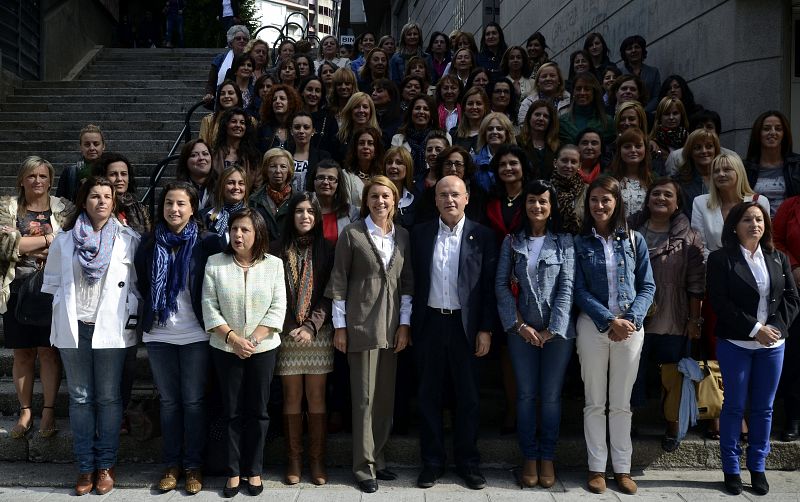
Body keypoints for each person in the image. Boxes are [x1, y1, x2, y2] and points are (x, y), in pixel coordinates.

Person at [43, 176, 139, 496]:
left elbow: (136, 287)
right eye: (94, 196)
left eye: (107, 196)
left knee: (109, 398)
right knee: (82, 399)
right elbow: (53, 284)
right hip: (76, 327)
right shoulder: (64, 241)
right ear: (84, 201)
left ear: (114, 202)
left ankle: (106, 465)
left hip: (110, 328)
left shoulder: (128, 239)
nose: (101, 201)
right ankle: (85, 466)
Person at [135, 182, 223, 496]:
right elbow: (143, 282)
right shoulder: (149, 243)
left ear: (192, 208)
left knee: (194, 402)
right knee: (170, 403)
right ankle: (172, 465)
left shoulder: (208, 242)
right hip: (159, 334)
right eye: (169, 203)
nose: (174, 209)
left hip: (196, 333)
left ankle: (193, 466)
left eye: (181, 204)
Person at [325, 176, 413, 493]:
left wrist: (405, 324)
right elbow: (338, 283)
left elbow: (407, 285)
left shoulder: (402, 236)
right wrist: (339, 328)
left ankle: (379, 457)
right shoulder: (353, 234)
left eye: (386, 196)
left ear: (395, 200)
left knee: (384, 399)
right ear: (367, 201)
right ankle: (363, 468)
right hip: (360, 326)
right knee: (363, 398)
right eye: (374, 196)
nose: (380, 202)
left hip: (391, 329)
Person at [707, 201, 800, 496]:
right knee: (734, 406)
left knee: (764, 408)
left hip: (773, 346)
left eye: (759, 220)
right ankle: (731, 468)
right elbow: (720, 302)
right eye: (747, 219)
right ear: (735, 225)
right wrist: (754, 329)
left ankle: (758, 466)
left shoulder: (778, 257)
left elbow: (791, 299)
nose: (755, 225)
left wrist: (776, 331)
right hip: (736, 343)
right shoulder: (721, 259)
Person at [411, 175, 496, 490]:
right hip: (429, 324)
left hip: (466, 327)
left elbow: (488, 288)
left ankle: (468, 463)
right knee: (428, 395)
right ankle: (432, 462)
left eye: (455, 194)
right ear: (435, 200)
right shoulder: (419, 235)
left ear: (467, 198)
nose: (449, 200)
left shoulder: (482, 236)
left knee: (468, 398)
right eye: (443, 194)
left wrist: (486, 329)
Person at [573, 175, 655, 495]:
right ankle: (596, 467)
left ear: (617, 202)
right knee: (595, 401)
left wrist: (630, 320)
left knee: (621, 403)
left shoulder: (635, 240)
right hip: (593, 327)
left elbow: (647, 285)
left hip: (631, 329)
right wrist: (609, 320)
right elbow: (578, 289)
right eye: (594, 199)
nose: (599, 205)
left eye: (606, 199)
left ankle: (622, 468)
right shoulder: (579, 243)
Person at [495, 179, 575, 488]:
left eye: (543, 201)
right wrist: (520, 326)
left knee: (551, 396)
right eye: (532, 201)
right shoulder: (511, 241)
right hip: (520, 332)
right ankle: (529, 456)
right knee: (526, 396)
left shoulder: (564, 242)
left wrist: (551, 329)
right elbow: (501, 285)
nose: (537, 206)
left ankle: (548, 457)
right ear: (524, 205)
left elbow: (567, 287)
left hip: (558, 334)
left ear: (551, 206)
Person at [201, 208, 285, 497]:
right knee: (232, 412)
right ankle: (233, 471)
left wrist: (253, 340)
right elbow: (209, 307)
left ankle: (255, 470)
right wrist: (234, 340)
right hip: (225, 349)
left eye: (245, 229)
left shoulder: (274, 265)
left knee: (259, 412)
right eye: (234, 229)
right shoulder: (216, 263)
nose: (238, 234)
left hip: (263, 350)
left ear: (258, 233)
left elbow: (278, 308)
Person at [0, 157, 75, 441]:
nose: (38, 181)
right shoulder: (6, 207)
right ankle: (26, 411)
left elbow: (68, 244)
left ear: (50, 179)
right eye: (31, 176)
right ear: (22, 179)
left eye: (43, 176)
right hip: (16, 289)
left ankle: (48, 410)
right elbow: (5, 246)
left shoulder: (64, 208)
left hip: (52, 290)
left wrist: (21, 243)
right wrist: (48, 240)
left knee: (48, 352)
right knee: (22, 353)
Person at [629, 179, 705, 451]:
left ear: (676, 203)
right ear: (648, 199)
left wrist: (695, 320)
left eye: (668, 194)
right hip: (633, 315)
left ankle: (672, 425)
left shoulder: (690, 235)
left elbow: (697, 282)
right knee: (631, 372)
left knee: (673, 374)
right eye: (656, 193)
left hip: (673, 314)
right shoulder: (628, 229)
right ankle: (628, 421)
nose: (661, 197)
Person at [272, 192, 334, 486]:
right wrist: (290, 326)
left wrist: (311, 325)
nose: (305, 216)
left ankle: (317, 460)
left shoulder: (328, 249)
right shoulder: (276, 249)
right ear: (291, 216)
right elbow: (272, 293)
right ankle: (294, 459)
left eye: (311, 211)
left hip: (318, 333)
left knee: (317, 397)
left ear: (318, 216)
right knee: (292, 397)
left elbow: (330, 294)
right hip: (286, 333)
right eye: (299, 211)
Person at [691, 152, 769, 261]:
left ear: (739, 172)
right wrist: (720, 267)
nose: (721, 174)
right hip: (713, 268)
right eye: (716, 171)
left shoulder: (760, 201)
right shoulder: (700, 203)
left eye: (727, 170)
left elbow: (765, 242)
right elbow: (699, 245)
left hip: (752, 268)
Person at [771, 195, 800, 442]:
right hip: (796, 287)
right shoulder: (791, 206)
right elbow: (776, 240)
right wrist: (794, 266)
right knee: (795, 357)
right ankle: (793, 417)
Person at [744, 110, 800, 217]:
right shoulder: (746, 167)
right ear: (758, 133)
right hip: (757, 227)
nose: (773, 132)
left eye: (778, 129)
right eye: (766, 129)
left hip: (789, 226)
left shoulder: (797, 164)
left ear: (784, 134)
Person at [305, 159, 360, 244]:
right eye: (320, 178)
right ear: (313, 181)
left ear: (338, 183)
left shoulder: (352, 213)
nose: (325, 182)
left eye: (331, 178)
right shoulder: (302, 210)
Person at [94, 152, 150, 233]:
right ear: (102, 178)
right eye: (113, 174)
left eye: (124, 174)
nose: (120, 179)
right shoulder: (96, 207)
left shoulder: (140, 209)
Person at [250, 148, 295, 241]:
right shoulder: (254, 200)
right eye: (273, 166)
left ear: (289, 170)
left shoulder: (298, 199)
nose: (278, 171)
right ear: (266, 169)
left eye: (283, 166)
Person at [212, 107, 261, 191]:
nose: (238, 125)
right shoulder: (213, 154)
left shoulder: (253, 156)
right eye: (234, 121)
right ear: (226, 125)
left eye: (242, 123)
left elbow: (258, 186)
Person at [559, 72, 615, 145]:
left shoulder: (607, 122)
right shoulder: (562, 122)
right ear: (573, 92)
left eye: (587, 89)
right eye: (578, 89)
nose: (582, 93)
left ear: (594, 92)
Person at [57, 125, 106, 203]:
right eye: (87, 144)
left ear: (103, 146)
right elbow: (59, 203)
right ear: (81, 147)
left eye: (96, 144)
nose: (92, 148)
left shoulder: (112, 171)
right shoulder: (70, 172)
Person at [610, 127, 653, 217]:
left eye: (638, 146)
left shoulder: (653, 179)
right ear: (620, 150)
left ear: (645, 149)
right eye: (627, 146)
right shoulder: (610, 178)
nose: (633, 150)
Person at [200, 165, 248, 242]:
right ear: (221, 186)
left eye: (241, 183)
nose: (236, 187)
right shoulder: (204, 216)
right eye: (231, 183)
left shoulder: (253, 217)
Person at [204, 25, 249, 106]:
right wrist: (209, 93)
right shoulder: (220, 59)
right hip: (224, 99)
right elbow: (211, 81)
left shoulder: (251, 59)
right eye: (238, 38)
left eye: (245, 39)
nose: (242, 41)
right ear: (231, 41)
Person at [472, 112, 517, 192]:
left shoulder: (518, 160)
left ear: (507, 133)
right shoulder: (474, 162)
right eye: (490, 129)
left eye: (499, 129)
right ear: (484, 134)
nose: (494, 132)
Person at [517, 99, 559, 179]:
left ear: (550, 121)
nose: (541, 119)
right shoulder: (517, 143)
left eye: (546, 116)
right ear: (529, 117)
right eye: (537, 114)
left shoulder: (558, 146)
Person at [290, 111, 331, 192]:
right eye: (297, 127)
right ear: (291, 131)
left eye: (306, 127)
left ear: (313, 131)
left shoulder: (323, 157)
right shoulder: (283, 156)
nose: (301, 131)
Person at [619, 35, 661, 112]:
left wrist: (643, 112)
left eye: (637, 47)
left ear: (642, 50)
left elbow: (656, 97)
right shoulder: (618, 73)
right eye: (629, 48)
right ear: (624, 53)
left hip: (648, 115)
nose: (633, 50)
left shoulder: (653, 72)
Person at [550, 144, 585, 234]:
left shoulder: (588, 191)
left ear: (579, 166)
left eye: (573, 162)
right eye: (564, 161)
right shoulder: (545, 190)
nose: (568, 166)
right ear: (555, 163)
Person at [649, 97, 689, 174]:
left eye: (675, 113)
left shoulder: (690, 139)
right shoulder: (653, 143)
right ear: (660, 117)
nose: (671, 117)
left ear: (681, 115)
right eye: (667, 114)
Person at [199, 80, 244, 144]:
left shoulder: (249, 120)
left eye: (230, 93)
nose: (226, 96)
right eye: (222, 94)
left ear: (238, 96)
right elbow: (202, 146)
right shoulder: (208, 121)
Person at [176, 139, 215, 210]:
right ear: (185, 161)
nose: (201, 158)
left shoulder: (222, 187)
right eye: (194, 155)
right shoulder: (175, 190)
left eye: (205, 154)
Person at [451, 87, 489, 154]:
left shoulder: (490, 133)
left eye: (478, 103)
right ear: (464, 108)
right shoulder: (454, 134)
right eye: (470, 104)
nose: (474, 107)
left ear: (485, 107)